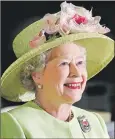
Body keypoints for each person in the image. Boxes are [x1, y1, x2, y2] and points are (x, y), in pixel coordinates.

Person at [1, 1, 114, 138]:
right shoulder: (15, 122)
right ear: (37, 74)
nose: (77, 73)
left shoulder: (95, 122)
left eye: (79, 63)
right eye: (65, 63)